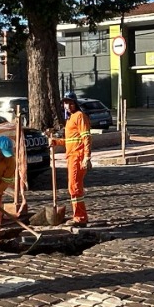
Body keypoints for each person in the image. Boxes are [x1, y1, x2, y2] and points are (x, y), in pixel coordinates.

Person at [49, 91, 91, 226]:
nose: (68, 105)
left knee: (75, 187)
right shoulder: (70, 119)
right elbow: (70, 140)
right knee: (73, 187)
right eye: (66, 103)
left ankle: (80, 217)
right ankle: (79, 215)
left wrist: (87, 157)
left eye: (71, 102)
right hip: (71, 156)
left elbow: (86, 137)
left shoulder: (80, 116)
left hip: (77, 157)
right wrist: (56, 142)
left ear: (75, 103)